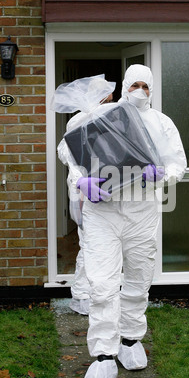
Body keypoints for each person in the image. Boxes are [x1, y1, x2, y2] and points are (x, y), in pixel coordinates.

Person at [76, 64, 187, 378]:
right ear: (124, 86)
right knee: (102, 283)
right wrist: (82, 182)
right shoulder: (102, 116)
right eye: (134, 84)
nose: (139, 90)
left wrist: (163, 175)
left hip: (143, 211)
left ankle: (130, 340)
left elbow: (178, 163)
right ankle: (103, 355)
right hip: (103, 211)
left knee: (139, 275)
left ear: (152, 88)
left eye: (145, 85)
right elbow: (69, 151)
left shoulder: (161, 123)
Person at [56, 75, 116, 316]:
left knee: (96, 245)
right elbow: (65, 153)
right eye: (106, 100)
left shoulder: (110, 118)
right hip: (83, 192)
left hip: (103, 189)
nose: (110, 104)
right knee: (89, 245)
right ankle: (82, 296)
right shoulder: (80, 121)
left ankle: (93, 295)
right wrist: (81, 181)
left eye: (112, 99)